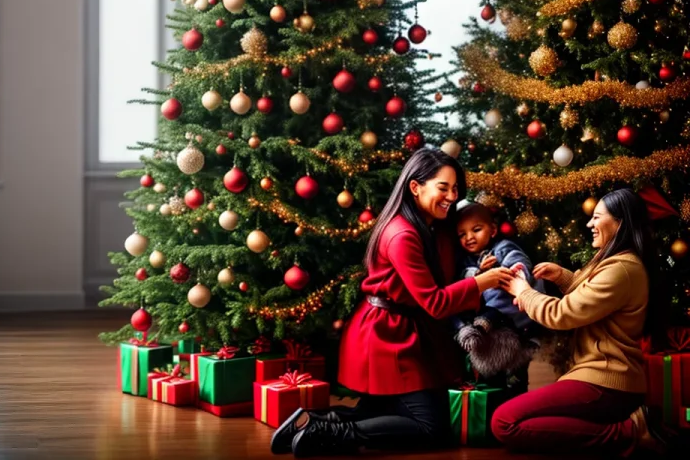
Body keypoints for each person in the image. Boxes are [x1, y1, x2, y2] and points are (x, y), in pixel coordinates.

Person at [270, 148, 514, 457]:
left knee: (389, 410)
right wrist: (482, 282)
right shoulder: (402, 234)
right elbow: (435, 302)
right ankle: (332, 432)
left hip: (407, 331)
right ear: (415, 187)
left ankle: (313, 420)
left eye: (456, 189)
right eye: (443, 187)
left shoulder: (433, 226)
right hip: (389, 337)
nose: (452, 196)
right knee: (432, 429)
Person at [493, 188, 674, 456]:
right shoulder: (616, 262)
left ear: (620, 222)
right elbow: (593, 299)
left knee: (504, 422)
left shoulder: (622, 268)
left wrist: (524, 292)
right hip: (603, 380)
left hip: (608, 384)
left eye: (597, 217)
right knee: (518, 420)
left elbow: (562, 314)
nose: (590, 223)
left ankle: (632, 430)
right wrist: (564, 278)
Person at [452, 202, 541, 385]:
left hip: (511, 314)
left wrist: (518, 273)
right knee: (492, 373)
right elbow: (463, 277)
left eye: (476, 230)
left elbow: (518, 260)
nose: (469, 237)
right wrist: (477, 272)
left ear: (492, 230)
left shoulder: (501, 248)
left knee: (516, 374)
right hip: (492, 321)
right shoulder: (467, 259)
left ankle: (515, 386)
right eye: (462, 234)